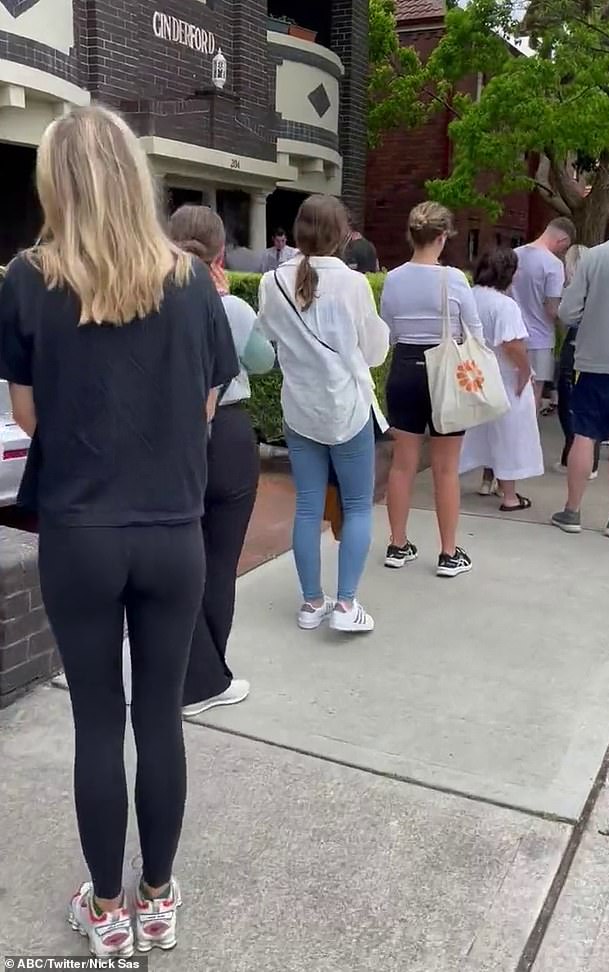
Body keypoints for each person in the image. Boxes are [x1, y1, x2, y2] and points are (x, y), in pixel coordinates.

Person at [0, 106, 239, 956]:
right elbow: (206, 409)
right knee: (161, 720)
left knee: (98, 723)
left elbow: (27, 412)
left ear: (55, 183)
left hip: (79, 531)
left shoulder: (27, 279)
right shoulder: (191, 282)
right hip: (171, 531)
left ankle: (106, 912)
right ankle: (159, 898)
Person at [256, 194, 390, 632]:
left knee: (308, 507)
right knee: (357, 505)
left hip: (300, 407)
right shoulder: (353, 284)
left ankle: (312, 602)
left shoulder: (271, 282)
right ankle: (346, 604)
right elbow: (373, 352)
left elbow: (267, 341)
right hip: (347, 407)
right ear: (342, 234)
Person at [168, 205, 275, 718]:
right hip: (227, 432)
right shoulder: (227, 307)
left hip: (169, 438)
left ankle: (177, 667)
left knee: (177, 556)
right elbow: (262, 361)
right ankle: (207, 677)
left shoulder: (150, 296)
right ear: (220, 254)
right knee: (219, 560)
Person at [381, 201, 483, 577]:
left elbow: (386, 331)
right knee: (445, 468)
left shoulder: (393, 279)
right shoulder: (454, 279)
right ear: (442, 237)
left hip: (405, 368)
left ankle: (397, 543)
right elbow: (474, 331)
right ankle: (448, 552)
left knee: (402, 464)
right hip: (445, 372)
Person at [552, 193, 609, 538]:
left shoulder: (595, 257)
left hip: (594, 361)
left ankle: (572, 511)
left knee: (584, 434)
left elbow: (567, 312)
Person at [460, 249, 544, 509]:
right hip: (504, 377)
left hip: (471, 375)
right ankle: (509, 495)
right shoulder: (505, 305)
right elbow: (512, 344)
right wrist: (525, 371)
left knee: (473, 433)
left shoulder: (469, 297)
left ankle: (469, 482)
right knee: (509, 435)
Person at [511, 217, 576, 408]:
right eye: (564, 249)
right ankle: (527, 436)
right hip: (539, 339)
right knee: (532, 397)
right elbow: (552, 309)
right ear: (562, 241)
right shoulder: (553, 265)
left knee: (510, 390)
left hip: (511, 335)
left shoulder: (514, 255)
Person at [555, 244, 601, 479]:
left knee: (570, 401)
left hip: (576, 344)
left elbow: (566, 315)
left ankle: (578, 459)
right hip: (597, 348)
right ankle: (585, 460)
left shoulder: (577, 287)